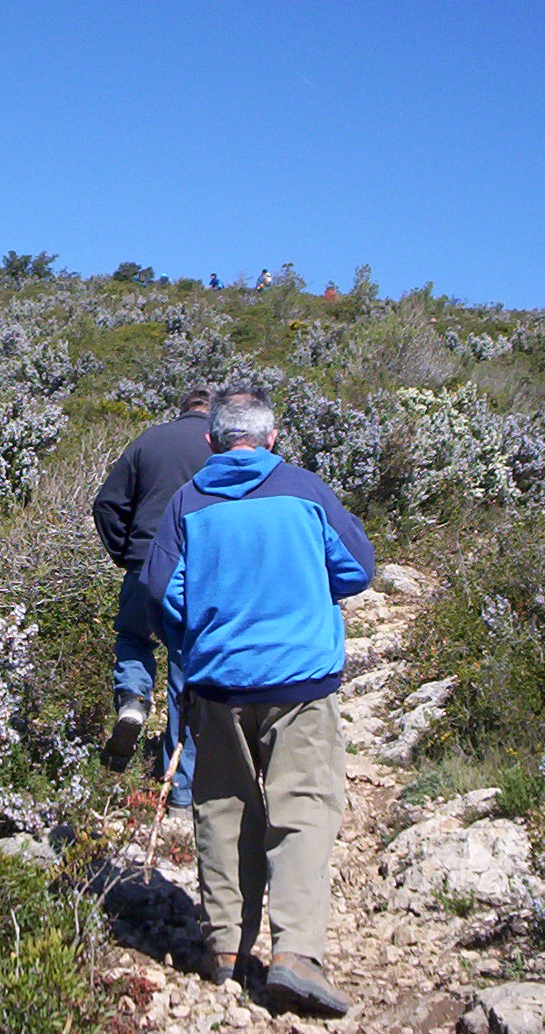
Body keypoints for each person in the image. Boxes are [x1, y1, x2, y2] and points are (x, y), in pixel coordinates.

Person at [141, 387, 374, 1018]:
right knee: (303, 810)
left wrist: (196, 641)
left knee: (223, 808)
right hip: (301, 683)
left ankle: (226, 949)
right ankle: (295, 953)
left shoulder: (188, 502)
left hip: (217, 684)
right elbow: (358, 567)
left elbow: (160, 591)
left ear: (212, 441)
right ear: (272, 439)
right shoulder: (305, 489)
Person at [91, 388, 213, 804]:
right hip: (200, 569)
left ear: (180, 410)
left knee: (133, 636)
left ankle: (132, 700)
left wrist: (125, 553)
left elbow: (107, 504)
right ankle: (180, 791)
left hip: (145, 563)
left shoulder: (148, 441)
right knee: (184, 669)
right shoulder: (223, 447)